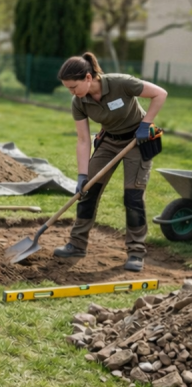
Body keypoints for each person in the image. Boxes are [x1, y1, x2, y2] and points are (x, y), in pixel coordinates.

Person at [54, 52, 168, 272]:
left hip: (137, 141)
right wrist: (82, 174)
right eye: (68, 88)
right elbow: (83, 139)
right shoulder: (79, 102)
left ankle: (136, 252)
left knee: (132, 197)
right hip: (109, 142)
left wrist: (146, 124)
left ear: (88, 77)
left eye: (73, 87)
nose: (72, 92)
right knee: (87, 191)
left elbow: (160, 94)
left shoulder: (121, 83)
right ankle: (77, 244)